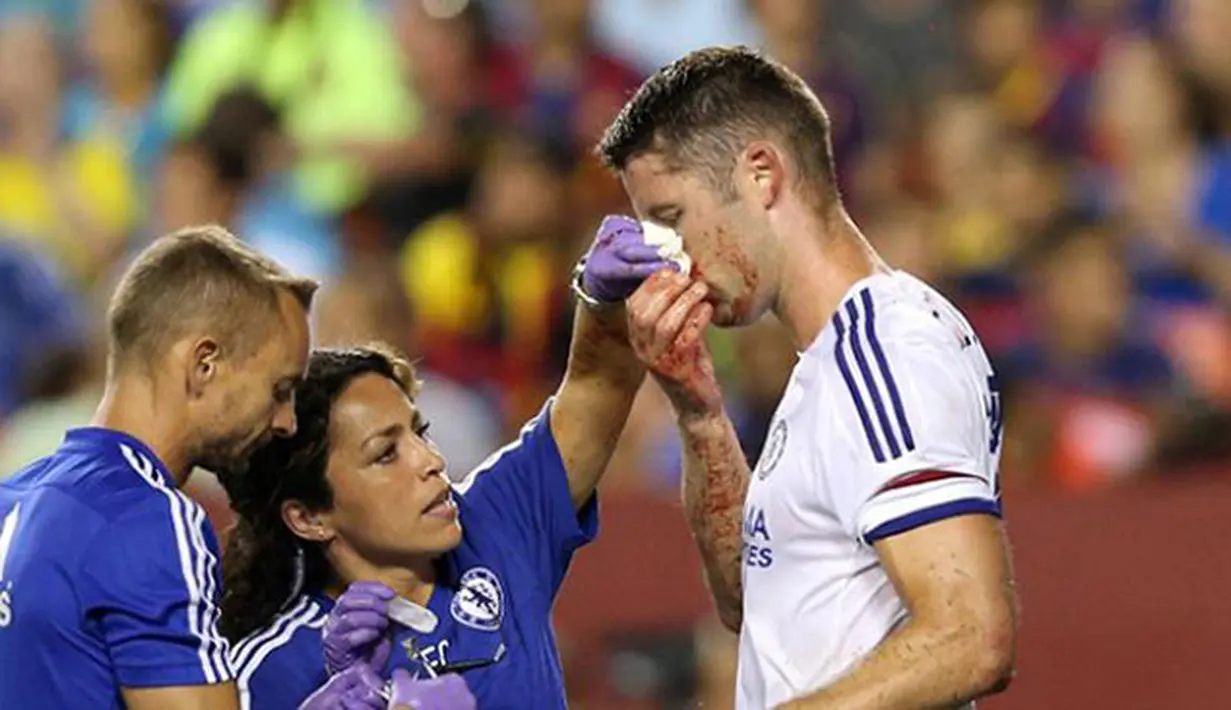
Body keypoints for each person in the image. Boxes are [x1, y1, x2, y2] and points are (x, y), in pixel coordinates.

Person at [596, 46, 1019, 709]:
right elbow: (748, 600)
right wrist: (698, 409)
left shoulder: (885, 353)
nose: (668, 261)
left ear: (761, 174)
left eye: (672, 219)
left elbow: (970, 637)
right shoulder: (826, 365)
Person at [217, 220, 674, 709]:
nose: (431, 461)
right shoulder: (277, 670)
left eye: (420, 432)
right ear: (309, 517)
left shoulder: (495, 527)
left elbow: (596, 386)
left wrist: (600, 300)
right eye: (385, 454)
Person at [0, 225, 315, 710]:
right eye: (279, 389)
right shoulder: (149, 520)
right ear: (203, 363)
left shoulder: (14, 497)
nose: (288, 421)